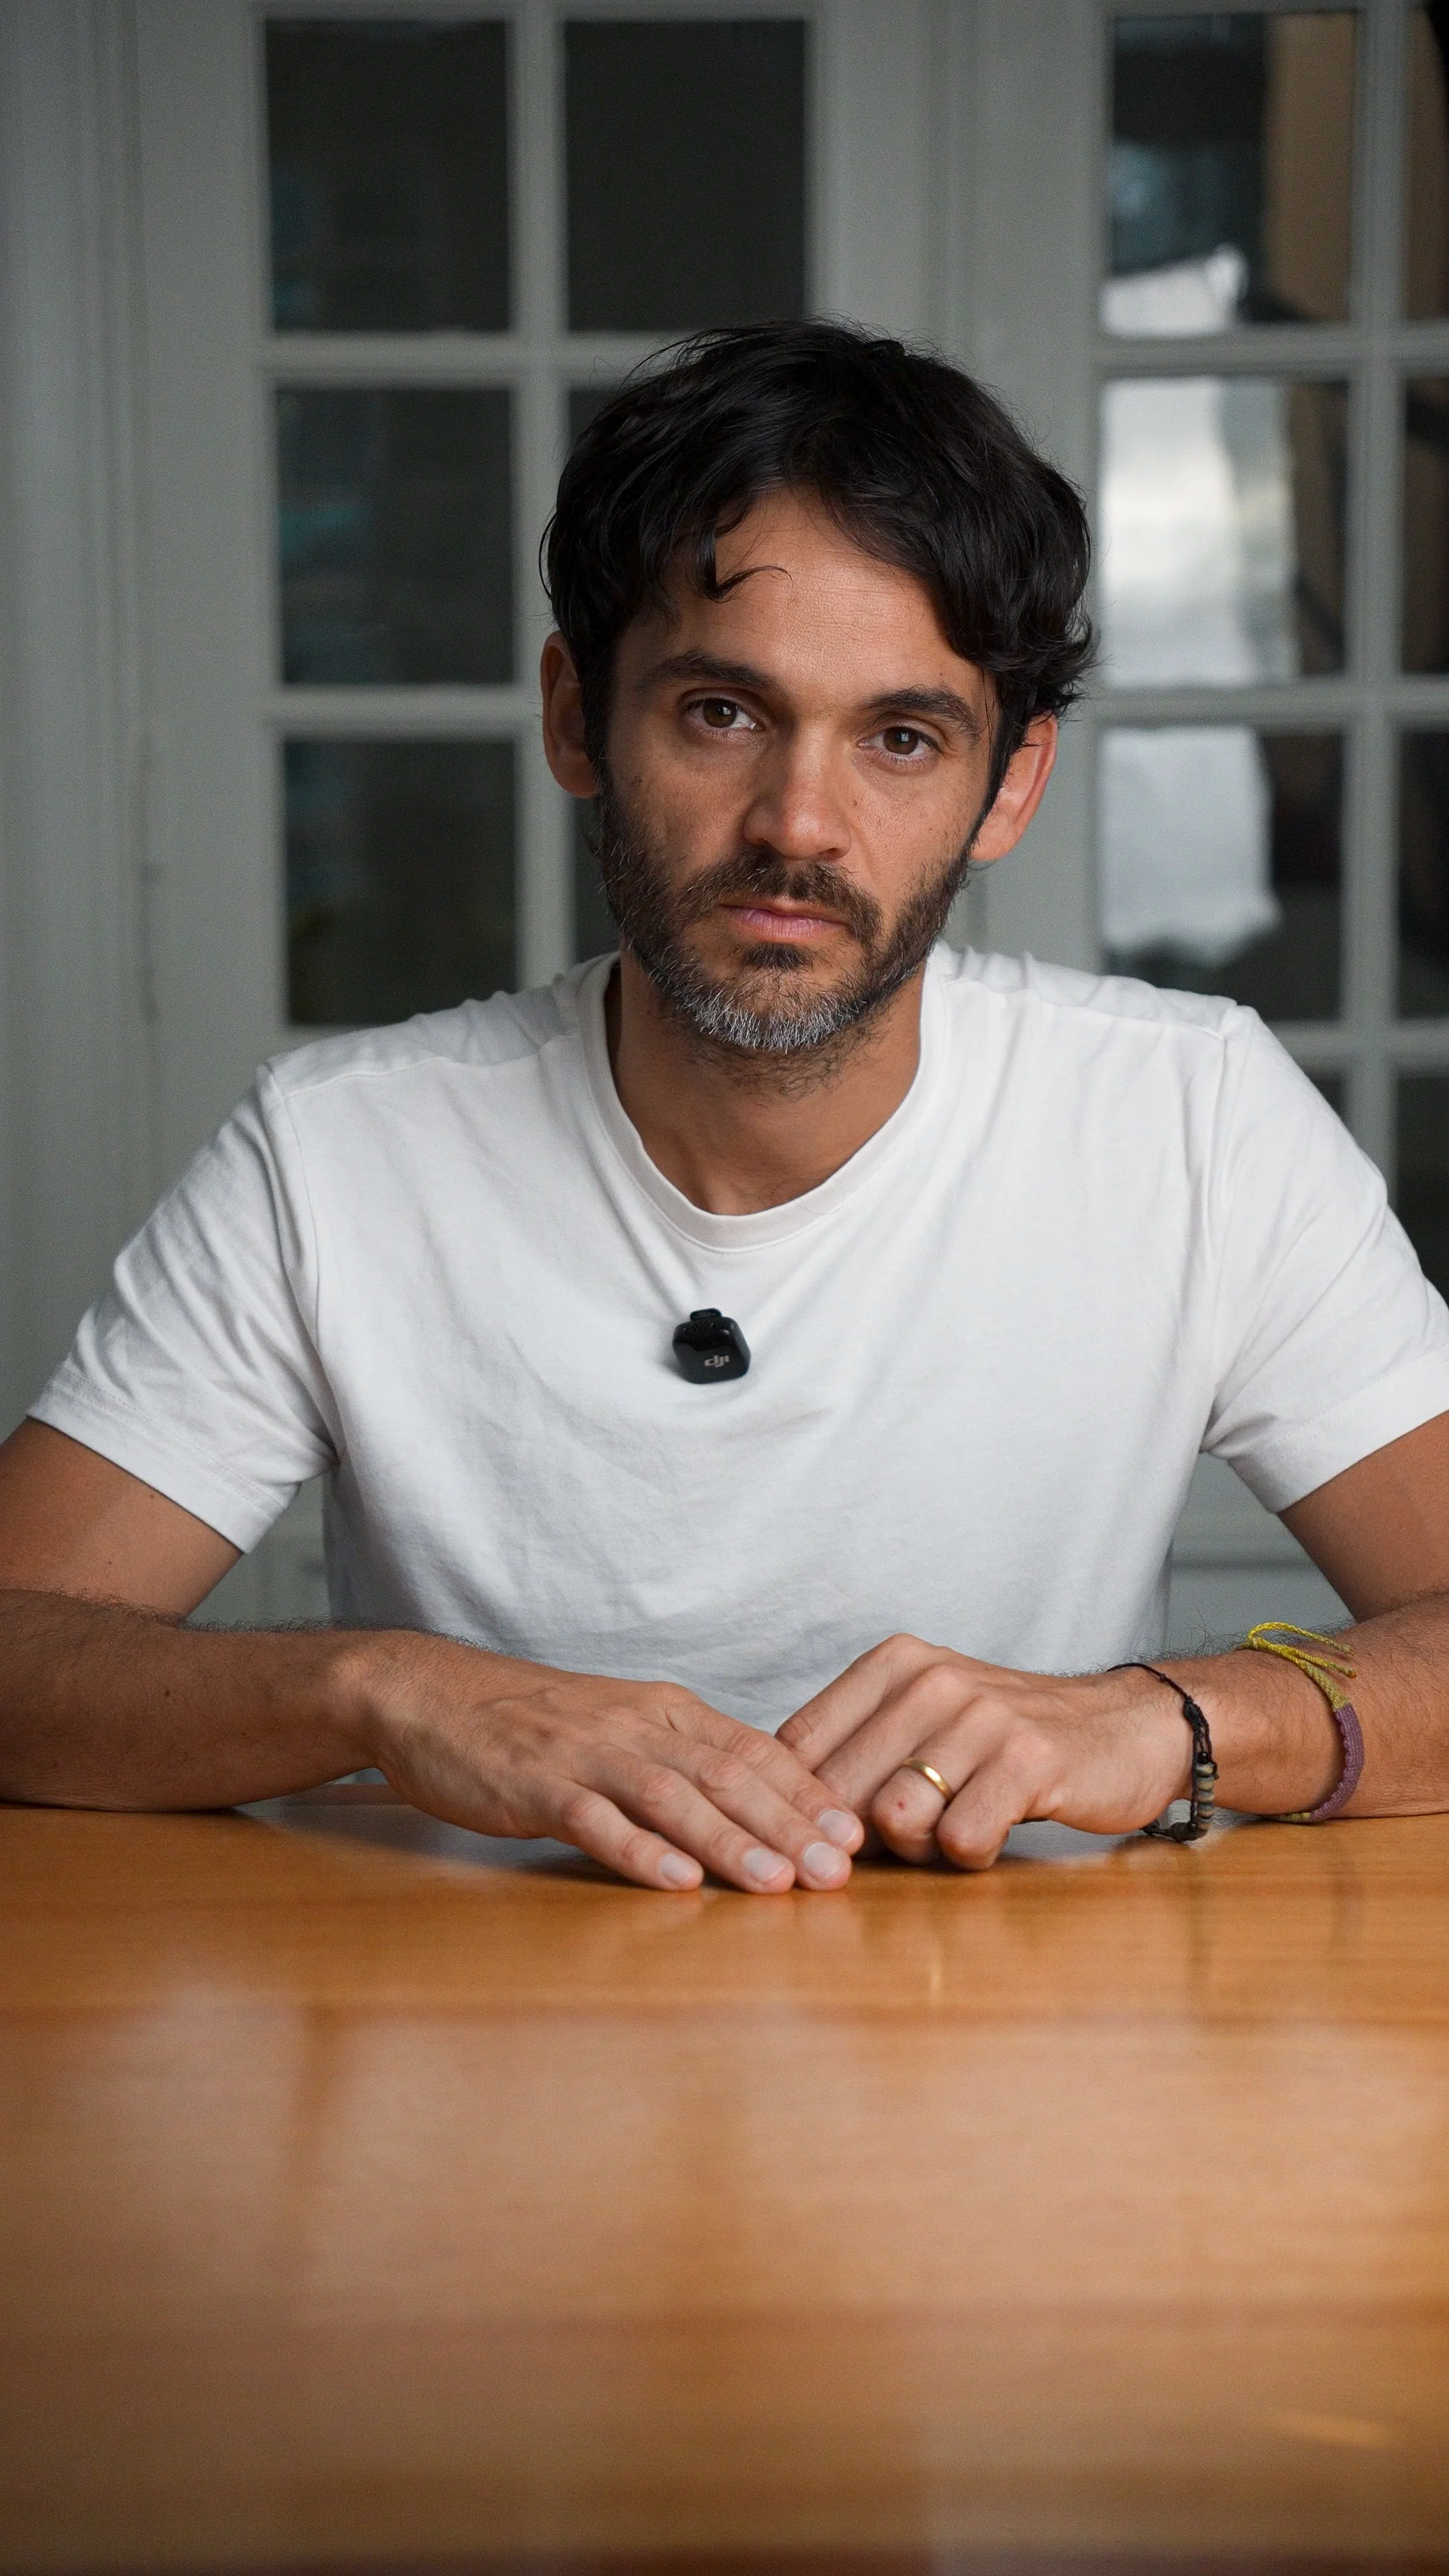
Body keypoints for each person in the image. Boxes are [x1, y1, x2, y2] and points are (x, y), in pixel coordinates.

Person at [3, 321, 1449, 1890]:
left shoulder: (1194, 1117)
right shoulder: (337, 1154)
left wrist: (1172, 1719)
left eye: (902, 738)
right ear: (578, 720)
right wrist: (383, 1688)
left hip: (1021, 2062)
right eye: (722, 713)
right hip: (485, 2050)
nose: (799, 825)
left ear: (1009, 787)